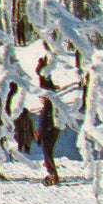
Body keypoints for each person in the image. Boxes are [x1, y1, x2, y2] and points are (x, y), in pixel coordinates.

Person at [36, 57, 60, 186]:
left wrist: (40, 135)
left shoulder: (48, 107)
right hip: (54, 129)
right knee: (48, 151)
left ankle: (53, 174)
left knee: (47, 151)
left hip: (48, 131)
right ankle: (52, 172)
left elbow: (44, 123)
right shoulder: (53, 104)